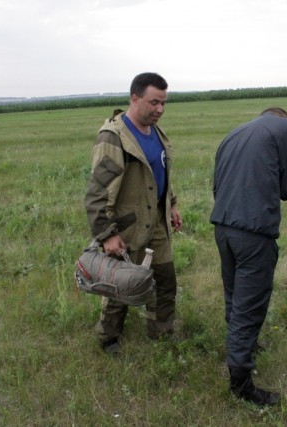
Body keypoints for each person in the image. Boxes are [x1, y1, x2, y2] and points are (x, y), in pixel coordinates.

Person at [84, 72, 183, 353]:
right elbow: (98, 193)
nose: (160, 110)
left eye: (164, 103)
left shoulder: (156, 132)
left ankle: (160, 334)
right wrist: (106, 235)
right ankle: (108, 337)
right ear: (135, 98)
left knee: (165, 282)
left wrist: (172, 203)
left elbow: (160, 174)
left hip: (158, 223)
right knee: (119, 287)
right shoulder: (113, 138)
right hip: (127, 228)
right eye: (154, 102)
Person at [210, 107, 287, 406]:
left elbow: (216, 185)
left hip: (223, 226)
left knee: (234, 295)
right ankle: (240, 383)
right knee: (250, 305)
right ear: (281, 119)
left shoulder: (232, 134)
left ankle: (241, 346)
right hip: (254, 232)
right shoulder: (286, 130)